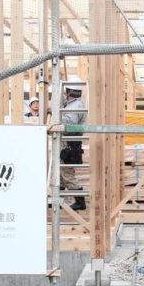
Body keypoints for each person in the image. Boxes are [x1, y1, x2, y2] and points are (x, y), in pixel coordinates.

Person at [59, 83, 87, 211]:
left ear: (69, 92)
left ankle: (80, 202)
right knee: (59, 172)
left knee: (67, 173)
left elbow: (70, 125)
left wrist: (57, 119)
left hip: (69, 143)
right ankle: (56, 200)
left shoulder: (76, 105)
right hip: (69, 142)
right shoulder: (73, 104)